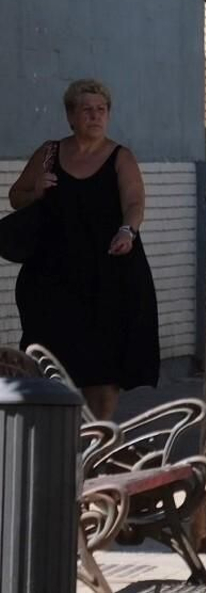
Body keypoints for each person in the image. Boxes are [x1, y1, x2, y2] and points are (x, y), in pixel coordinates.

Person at [6, 78, 159, 419]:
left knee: (103, 371)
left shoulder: (120, 156)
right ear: (70, 116)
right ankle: (54, 442)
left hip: (107, 276)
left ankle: (98, 446)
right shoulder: (49, 153)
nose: (95, 116)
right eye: (86, 109)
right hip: (52, 279)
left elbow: (134, 203)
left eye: (101, 110)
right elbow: (16, 197)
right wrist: (37, 192)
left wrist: (127, 231)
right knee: (49, 362)